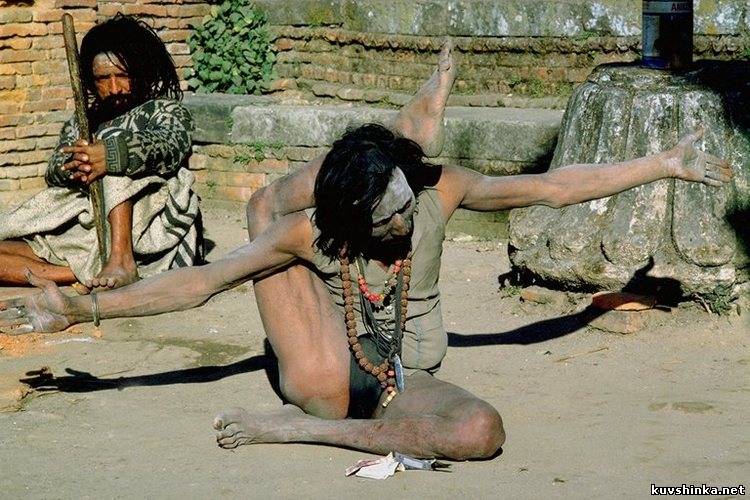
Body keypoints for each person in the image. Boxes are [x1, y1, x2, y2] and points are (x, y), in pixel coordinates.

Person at [0, 47, 732, 459]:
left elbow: (551, 187)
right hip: (322, 368)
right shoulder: (317, 232)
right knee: (266, 209)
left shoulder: (438, 192)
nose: (407, 220)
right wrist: (82, 310)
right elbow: (203, 283)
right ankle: (396, 133)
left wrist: (663, 164)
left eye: (407, 202)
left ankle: (306, 432)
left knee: (481, 431)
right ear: (351, 221)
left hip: (399, 383)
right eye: (388, 217)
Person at [0, 14, 201, 290]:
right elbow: (53, 170)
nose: (115, 88)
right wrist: (78, 163)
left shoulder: (165, 110)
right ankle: (75, 274)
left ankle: (121, 261)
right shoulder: (83, 121)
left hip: (145, 223)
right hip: (83, 228)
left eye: (123, 76)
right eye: (104, 79)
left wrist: (111, 154)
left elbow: (170, 145)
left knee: (112, 148)